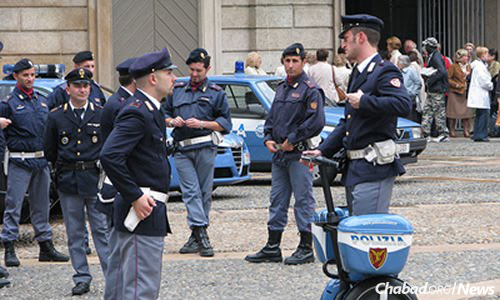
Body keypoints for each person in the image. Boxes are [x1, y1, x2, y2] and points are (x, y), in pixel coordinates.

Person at [304, 14, 411, 216]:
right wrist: (322, 150)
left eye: (346, 39)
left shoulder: (384, 70)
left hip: (374, 167)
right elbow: (348, 122)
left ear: (360, 37)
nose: (343, 45)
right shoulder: (358, 73)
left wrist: (365, 101)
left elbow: (403, 104)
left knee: (368, 234)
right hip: (356, 168)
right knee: (356, 234)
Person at [100, 48, 176, 299]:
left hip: (146, 208)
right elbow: (110, 155)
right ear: (153, 78)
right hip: (141, 209)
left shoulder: (151, 110)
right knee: (139, 289)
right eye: (168, 73)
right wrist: (134, 195)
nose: (174, 77)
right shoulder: (138, 111)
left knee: (125, 285)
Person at [245, 43, 325, 265]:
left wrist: (293, 139)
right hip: (280, 154)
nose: (290, 65)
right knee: (277, 200)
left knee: (304, 200)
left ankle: (305, 247)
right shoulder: (281, 88)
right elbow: (272, 117)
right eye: (287, 61)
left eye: (294, 61)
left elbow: (316, 121)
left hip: (299, 154)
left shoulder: (310, 89)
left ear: (303, 63)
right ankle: (273, 246)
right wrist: (268, 137)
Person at [44, 68, 109, 296]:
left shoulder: (101, 114)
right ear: (67, 88)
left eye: (85, 86)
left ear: (90, 88)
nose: (82, 90)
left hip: (94, 179)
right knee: (75, 232)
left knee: (101, 230)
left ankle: (112, 275)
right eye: (77, 86)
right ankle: (81, 277)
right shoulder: (56, 116)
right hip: (69, 180)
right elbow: (50, 150)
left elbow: (108, 148)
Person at [0, 59, 69, 267]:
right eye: (25, 75)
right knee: (14, 206)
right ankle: (9, 248)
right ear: (16, 77)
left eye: (32, 75)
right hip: (20, 161)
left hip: (41, 161)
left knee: (42, 206)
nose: (30, 79)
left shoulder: (41, 101)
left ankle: (45, 246)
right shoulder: (8, 104)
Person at [165, 48, 232, 257]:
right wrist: (171, 121)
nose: (194, 75)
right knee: (191, 192)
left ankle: (195, 235)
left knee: (204, 193)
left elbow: (225, 123)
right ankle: (202, 234)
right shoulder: (177, 90)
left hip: (205, 147)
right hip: (182, 149)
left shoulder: (216, 93)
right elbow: (163, 113)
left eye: (199, 71)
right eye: (192, 70)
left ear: (208, 69)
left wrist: (203, 123)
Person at [98, 57, 137, 300]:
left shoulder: (121, 101)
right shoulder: (119, 104)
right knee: (118, 248)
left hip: (120, 180)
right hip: (117, 183)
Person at [420, 37, 449, 142]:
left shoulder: (436, 57)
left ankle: (443, 133)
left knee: (438, 111)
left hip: (437, 89)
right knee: (428, 110)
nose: (424, 48)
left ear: (430, 47)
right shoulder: (432, 56)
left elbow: (442, 72)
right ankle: (425, 133)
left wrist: (430, 80)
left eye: (426, 46)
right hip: (433, 89)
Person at [467, 47, 494, 142]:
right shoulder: (479, 66)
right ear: (482, 55)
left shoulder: (480, 65)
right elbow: (484, 81)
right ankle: (481, 135)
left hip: (480, 94)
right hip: (480, 94)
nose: (488, 56)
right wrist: (491, 85)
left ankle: (478, 134)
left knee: (480, 115)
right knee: (483, 115)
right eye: (487, 54)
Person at [447, 49, 473, 137]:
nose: (467, 58)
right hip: (455, 92)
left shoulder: (469, 66)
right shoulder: (453, 66)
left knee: (466, 113)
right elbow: (448, 78)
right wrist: (456, 85)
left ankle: (466, 130)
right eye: (465, 56)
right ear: (460, 58)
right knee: (453, 112)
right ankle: (452, 130)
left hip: (465, 92)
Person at [398, 55, 422, 122]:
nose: (397, 63)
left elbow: (418, 83)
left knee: (409, 116)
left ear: (404, 63)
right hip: (401, 97)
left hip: (409, 97)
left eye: (399, 62)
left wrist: (413, 93)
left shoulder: (411, 71)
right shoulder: (399, 71)